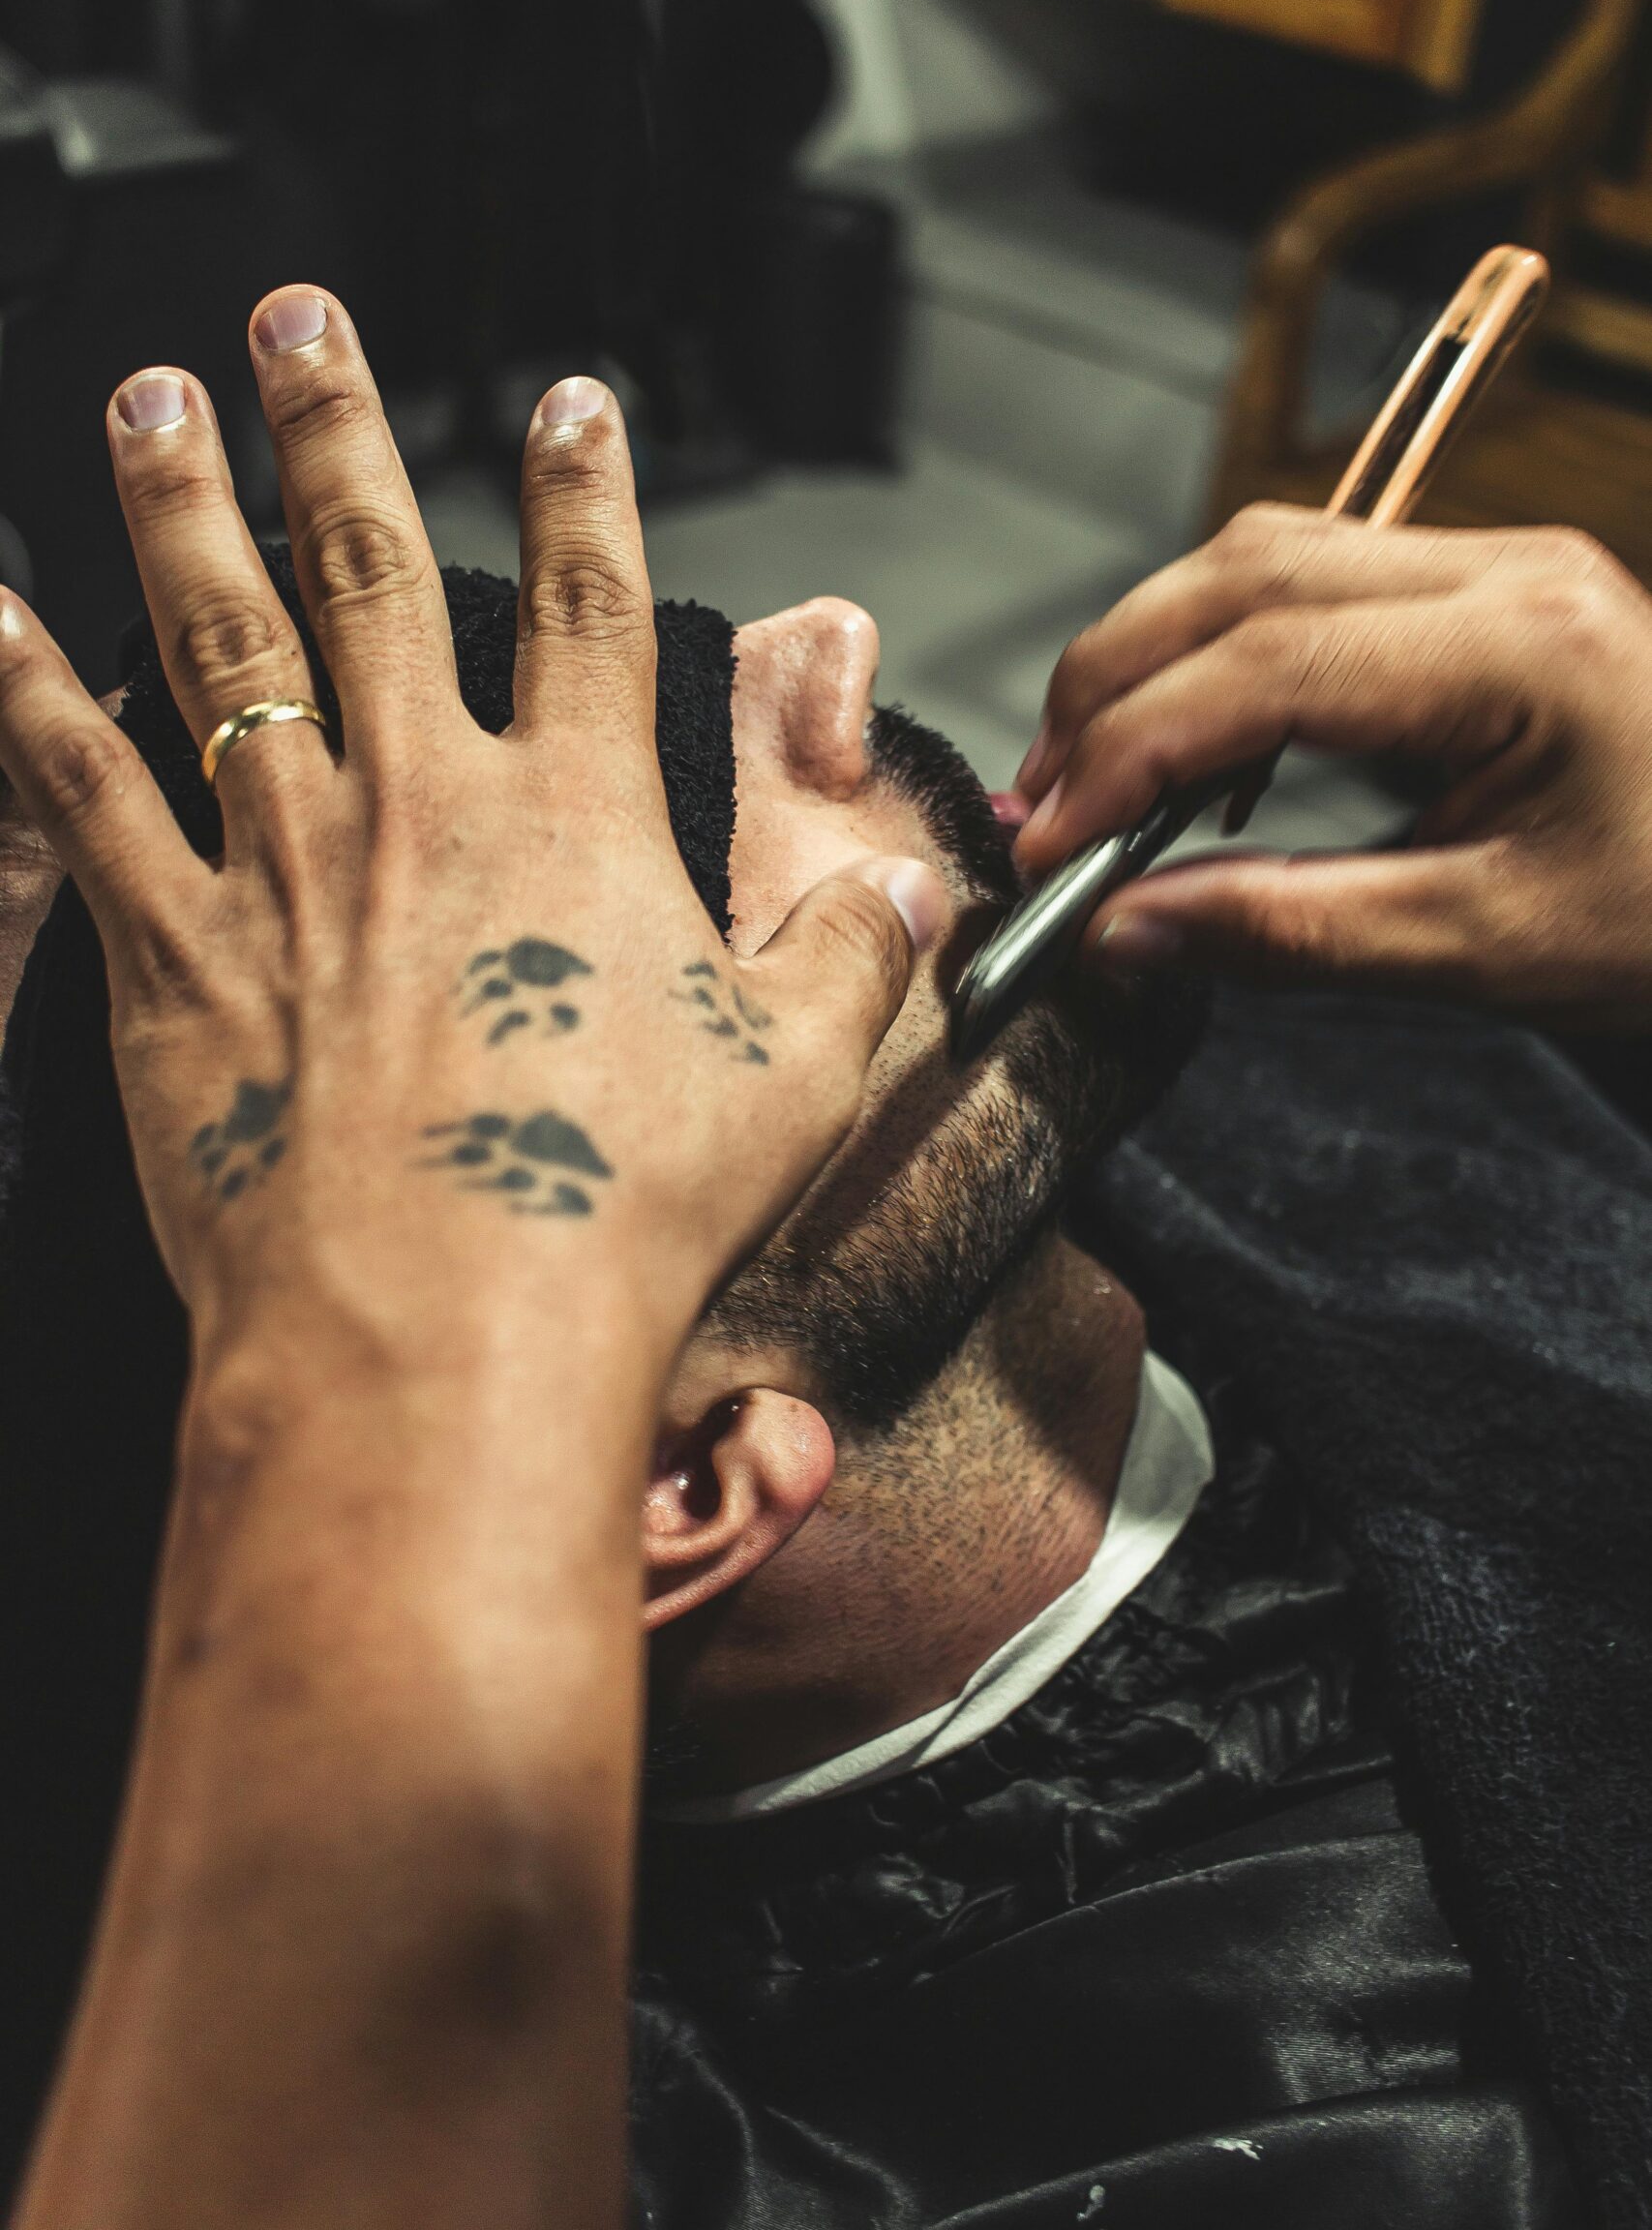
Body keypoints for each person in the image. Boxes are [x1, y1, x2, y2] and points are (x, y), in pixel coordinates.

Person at [0, 288, 1649, 2227]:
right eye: (640, 818)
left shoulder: (1411, 1021)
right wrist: (422, 1371)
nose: (822, 636)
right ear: (663, 1476)